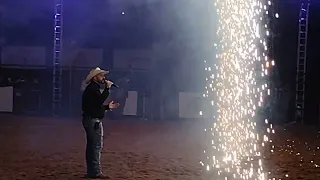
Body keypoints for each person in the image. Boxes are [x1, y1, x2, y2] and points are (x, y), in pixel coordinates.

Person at [82, 67, 120, 179]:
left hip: (90, 119)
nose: (103, 78)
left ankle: (91, 171)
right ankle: (95, 172)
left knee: (92, 146)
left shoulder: (92, 89)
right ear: (95, 77)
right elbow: (99, 101)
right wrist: (107, 89)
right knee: (96, 146)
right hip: (93, 121)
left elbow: (95, 106)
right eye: (101, 75)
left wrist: (107, 107)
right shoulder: (93, 89)